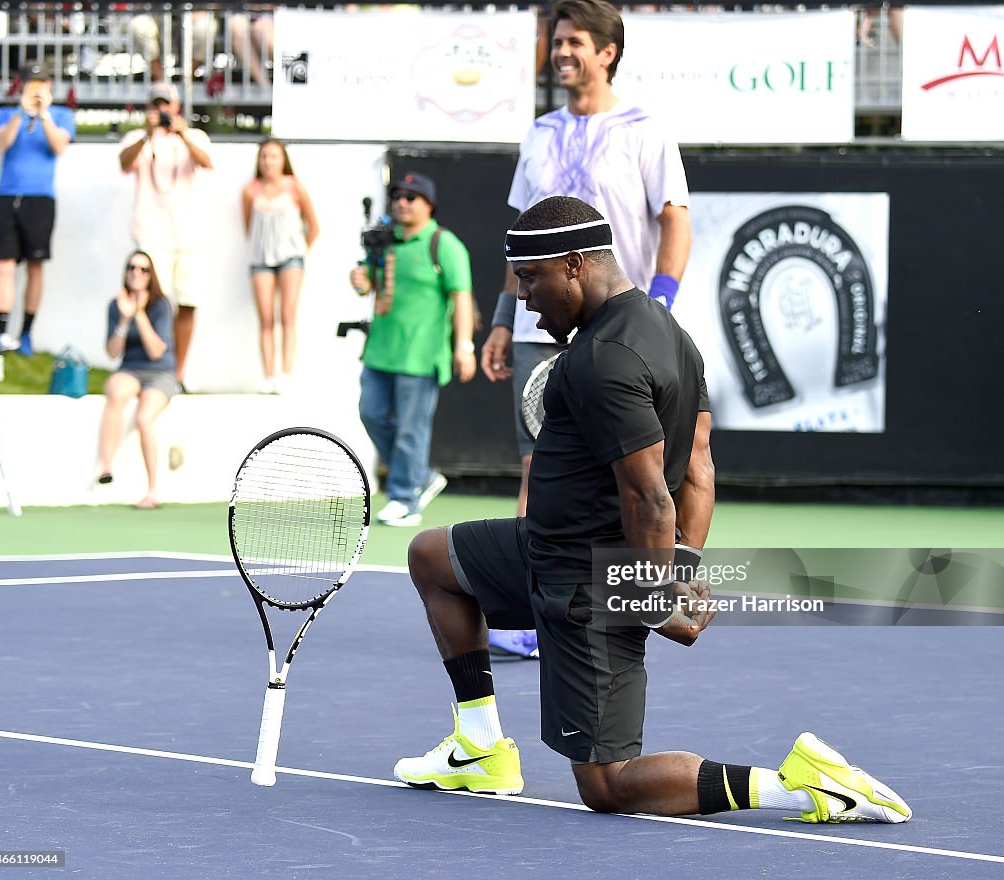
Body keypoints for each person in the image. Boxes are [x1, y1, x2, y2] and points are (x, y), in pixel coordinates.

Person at [394, 196, 912, 826]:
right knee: (433, 556)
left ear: (576, 264)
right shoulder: (673, 336)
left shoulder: (600, 360)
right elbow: (699, 468)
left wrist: (648, 596)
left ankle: (801, 786)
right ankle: (479, 747)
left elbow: (652, 496)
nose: (524, 299)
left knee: (608, 786)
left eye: (531, 278)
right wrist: (684, 569)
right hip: (547, 548)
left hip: (590, 583)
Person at [482, 0, 692, 657]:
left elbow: (674, 219)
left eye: (575, 41)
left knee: (624, 473)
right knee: (534, 465)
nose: (562, 52)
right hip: (537, 321)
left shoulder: (645, 127)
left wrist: (657, 304)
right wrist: (500, 317)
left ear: (607, 52)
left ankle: (632, 603)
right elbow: (521, 240)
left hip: (615, 329)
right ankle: (528, 610)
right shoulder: (539, 131)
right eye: (558, 42)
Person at [348, 172, 476, 527]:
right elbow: (369, 283)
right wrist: (360, 281)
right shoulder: (385, 242)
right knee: (371, 412)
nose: (402, 202)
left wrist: (464, 346)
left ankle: (406, 498)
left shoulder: (443, 243)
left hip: (421, 355)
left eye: (412, 197)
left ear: (428, 205)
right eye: (398, 196)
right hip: (380, 350)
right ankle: (420, 474)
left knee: (410, 428)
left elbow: (461, 297)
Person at [118, 81, 213, 391]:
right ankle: (149, 369)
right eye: (156, 105)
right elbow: (124, 163)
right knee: (150, 302)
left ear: (176, 107)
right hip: (151, 233)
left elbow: (206, 162)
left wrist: (181, 133)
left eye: (166, 105)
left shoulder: (192, 136)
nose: (161, 110)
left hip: (187, 234)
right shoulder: (138, 137)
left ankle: (179, 372)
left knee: (187, 302)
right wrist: (148, 134)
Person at [0, 61, 75, 356]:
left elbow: (59, 146)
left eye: (42, 83)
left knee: (35, 267)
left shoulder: (62, 115)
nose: (37, 88)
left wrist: (44, 114)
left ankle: (25, 333)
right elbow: (1, 144)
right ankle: (0, 334)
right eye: (31, 83)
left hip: (40, 200)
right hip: (6, 196)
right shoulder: (7, 114)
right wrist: (22, 113)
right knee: (4, 265)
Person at [95, 251, 178, 510]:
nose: (136, 273)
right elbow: (112, 351)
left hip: (160, 371)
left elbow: (156, 351)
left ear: (150, 275)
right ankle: (106, 467)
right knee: (116, 393)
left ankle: (152, 490)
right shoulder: (116, 305)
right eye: (132, 267)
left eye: (143, 269)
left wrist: (139, 314)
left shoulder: (161, 304)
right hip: (130, 368)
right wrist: (124, 317)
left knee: (144, 418)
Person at [242, 139, 319, 394]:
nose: (268, 162)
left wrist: (298, 249)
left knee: (288, 314)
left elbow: (313, 226)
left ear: (283, 159)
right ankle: (269, 375)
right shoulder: (251, 191)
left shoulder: (295, 188)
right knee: (266, 317)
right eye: (264, 156)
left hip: (290, 259)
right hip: (261, 259)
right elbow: (249, 227)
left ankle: (285, 373)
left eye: (273, 156)